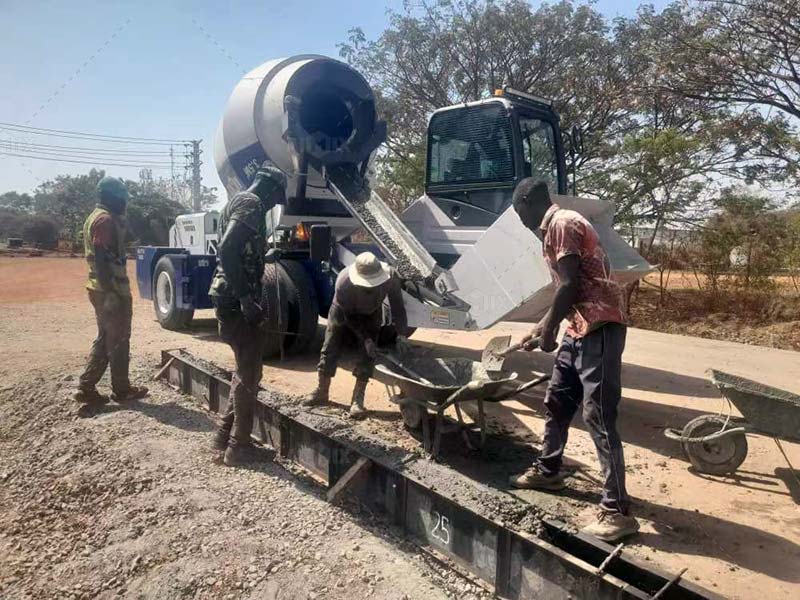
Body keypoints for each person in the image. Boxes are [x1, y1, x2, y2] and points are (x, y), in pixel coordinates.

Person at [508, 178, 639, 542]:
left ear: (526, 203)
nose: (518, 219)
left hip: (600, 327)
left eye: (517, 211)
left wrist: (549, 332)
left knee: (598, 415)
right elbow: (568, 291)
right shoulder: (558, 226)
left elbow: (567, 285)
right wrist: (541, 328)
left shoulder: (562, 224)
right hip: (580, 326)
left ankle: (616, 512)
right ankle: (549, 469)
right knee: (558, 398)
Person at [209, 162, 287, 467]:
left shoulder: (239, 201)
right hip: (235, 298)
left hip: (228, 295)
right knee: (250, 372)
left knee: (246, 368)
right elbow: (227, 249)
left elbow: (239, 251)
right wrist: (245, 298)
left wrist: (265, 256)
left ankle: (224, 437)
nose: (275, 204)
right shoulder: (252, 204)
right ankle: (238, 448)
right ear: (269, 188)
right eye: (277, 198)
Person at [304, 252, 407, 418]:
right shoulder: (344, 283)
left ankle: (357, 400)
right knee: (330, 349)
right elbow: (349, 318)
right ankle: (322, 391)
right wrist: (365, 338)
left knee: (368, 355)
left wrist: (401, 334)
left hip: (372, 314)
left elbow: (398, 307)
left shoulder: (391, 277)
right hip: (343, 313)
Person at [75, 176, 148, 405]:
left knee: (111, 339)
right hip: (110, 291)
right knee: (114, 340)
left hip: (104, 289)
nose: (125, 204)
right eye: (123, 200)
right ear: (111, 198)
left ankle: (114, 387)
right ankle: (96, 388)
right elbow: (101, 256)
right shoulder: (105, 220)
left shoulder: (98, 217)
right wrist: (111, 294)